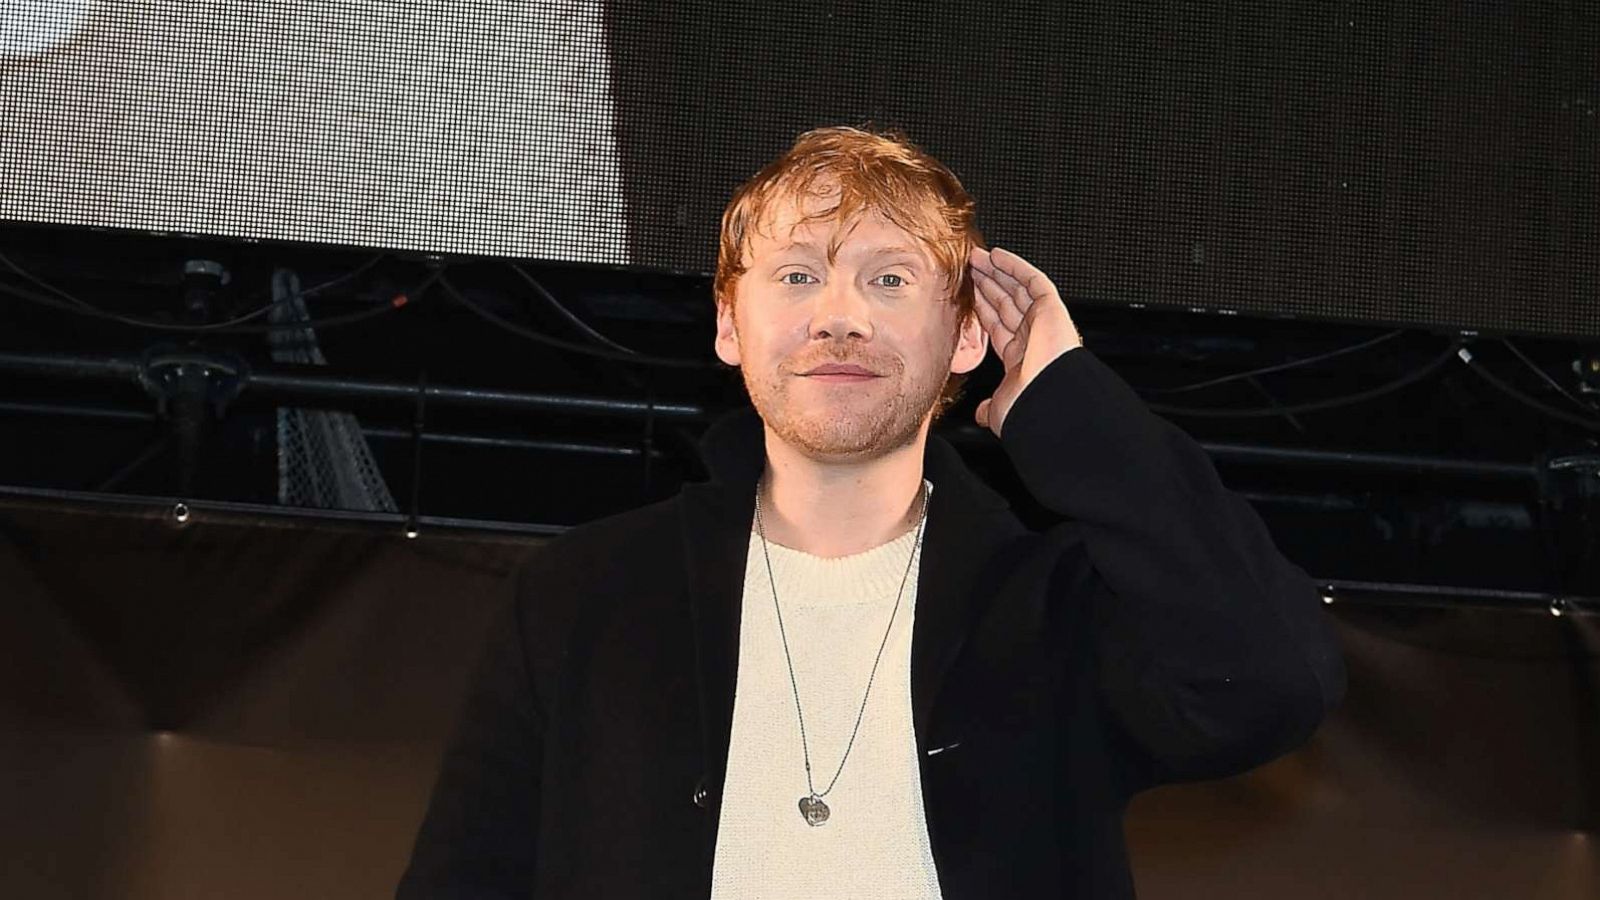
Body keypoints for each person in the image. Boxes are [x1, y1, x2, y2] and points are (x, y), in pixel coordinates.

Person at [397, 125, 1346, 899]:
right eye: (798, 275)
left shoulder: (1057, 607)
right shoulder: (585, 592)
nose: (838, 316)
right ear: (730, 324)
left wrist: (1072, 407)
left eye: (890, 280)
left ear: (968, 331)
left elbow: (1272, 680)